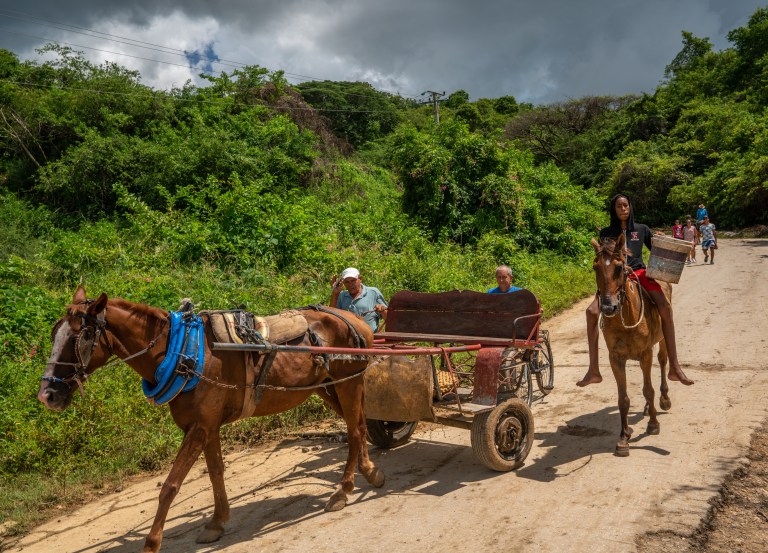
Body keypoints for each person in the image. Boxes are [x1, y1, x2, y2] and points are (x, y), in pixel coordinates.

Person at [576, 194, 694, 387]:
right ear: (614, 210)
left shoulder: (642, 229)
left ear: (630, 207)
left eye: (625, 205)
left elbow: (657, 251)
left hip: (639, 273)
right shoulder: (606, 233)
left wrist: (661, 240)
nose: (623, 209)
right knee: (591, 312)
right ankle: (593, 370)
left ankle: (674, 366)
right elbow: (605, 260)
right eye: (619, 206)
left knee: (665, 306)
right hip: (614, 279)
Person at [329, 267, 387, 332]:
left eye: (353, 280)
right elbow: (331, 317)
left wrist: (382, 311)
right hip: (348, 337)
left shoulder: (373, 293)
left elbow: (389, 318)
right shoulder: (341, 296)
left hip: (369, 337)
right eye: (347, 282)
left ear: (360, 279)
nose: (350, 284)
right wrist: (335, 294)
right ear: (344, 283)